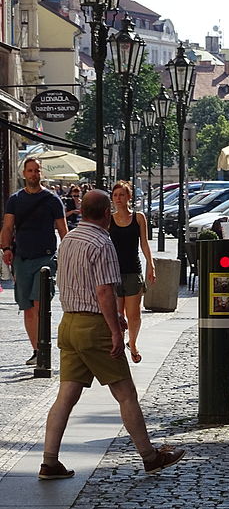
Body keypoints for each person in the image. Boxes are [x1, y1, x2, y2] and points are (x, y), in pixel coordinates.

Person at [39, 189, 184, 479]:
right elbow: (104, 290)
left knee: (66, 395)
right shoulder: (102, 242)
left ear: (82, 211)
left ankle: (49, 460)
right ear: (106, 213)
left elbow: (80, 284)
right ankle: (150, 456)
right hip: (94, 329)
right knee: (126, 393)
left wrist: (115, 315)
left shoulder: (68, 239)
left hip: (69, 323)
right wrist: (116, 331)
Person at [0, 158, 68, 365]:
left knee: (40, 304)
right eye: (30, 171)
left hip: (45, 258)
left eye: (37, 170)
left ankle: (44, 348)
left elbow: (63, 230)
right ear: (24, 174)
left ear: (42, 173)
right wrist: (5, 249)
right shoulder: (15, 200)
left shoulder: (52, 199)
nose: (33, 174)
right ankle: (37, 350)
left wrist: (68, 255)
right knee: (27, 307)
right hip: (21, 258)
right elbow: (8, 227)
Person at [109, 181, 155, 365]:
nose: (118, 198)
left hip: (133, 270)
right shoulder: (108, 219)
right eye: (115, 195)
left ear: (129, 197)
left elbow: (144, 243)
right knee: (117, 314)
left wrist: (150, 265)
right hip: (113, 272)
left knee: (134, 314)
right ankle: (118, 348)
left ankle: (133, 344)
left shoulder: (138, 218)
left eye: (122, 195)